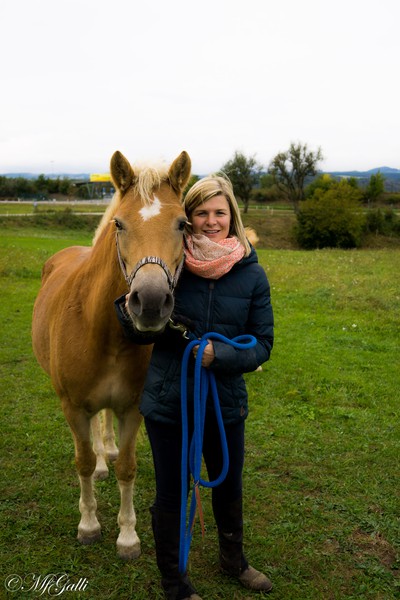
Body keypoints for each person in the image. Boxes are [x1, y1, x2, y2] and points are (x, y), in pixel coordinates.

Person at [139, 174, 274, 600]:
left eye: (220, 212)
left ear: (232, 215)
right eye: (202, 213)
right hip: (170, 399)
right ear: (189, 219)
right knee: (172, 491)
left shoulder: (252, 275)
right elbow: (134, 323)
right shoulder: (168, 266)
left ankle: (234, 560)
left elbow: (263, 343)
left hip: (224, 401)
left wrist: (223, 356)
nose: (212, 221)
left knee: (228, 482)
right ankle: (174, 583)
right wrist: (157, 325)